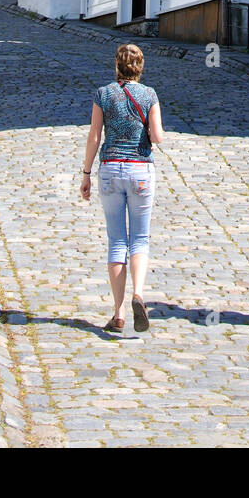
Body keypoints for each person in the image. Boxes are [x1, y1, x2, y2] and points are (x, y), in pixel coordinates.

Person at [81, 43, 164, 334]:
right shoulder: (149, 95)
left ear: (117, 65)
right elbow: (158, 136)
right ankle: (138, 294)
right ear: (140, 67)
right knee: (139, 238)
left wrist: (86, 173)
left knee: (117, 240)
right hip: (141, 169)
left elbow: (94, 136)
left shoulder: (103, 94)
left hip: (111, 169)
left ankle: (118, 314)